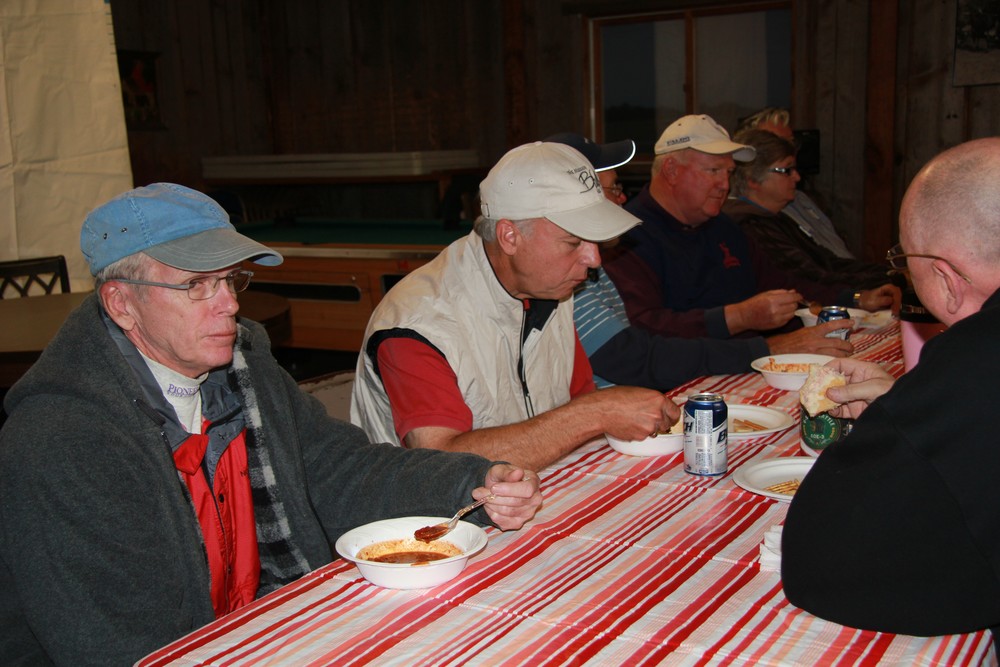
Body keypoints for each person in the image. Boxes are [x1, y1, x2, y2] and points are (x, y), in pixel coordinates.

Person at [0, 183, 542, 666]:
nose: (229, 304)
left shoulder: (245, 371)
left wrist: (472, 481)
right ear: (122, 303)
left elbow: (339, 468)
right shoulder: (61, 439)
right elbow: (119, 646)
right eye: (197, 284)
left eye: (230, 279)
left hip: (258, 628)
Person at [781, 138, 1000, 647]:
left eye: (905, 262)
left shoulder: (979, 355)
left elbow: (827, 562)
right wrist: (909, 402)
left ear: (945, 276)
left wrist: (904, 418)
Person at [351, 142, 678, 472]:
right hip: (429, 505)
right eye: (573, 242)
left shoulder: (553, 289)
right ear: (509, 236)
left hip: (535, 487)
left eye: (594, 241)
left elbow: (578, 398)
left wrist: (600, 410)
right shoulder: (418, 324)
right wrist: (597, 412)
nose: (594, 260)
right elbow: (442, 464)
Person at [603, 114, 891, 348]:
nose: (724, 185)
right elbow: (644, 328)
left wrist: (856, 299)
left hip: (749, 363)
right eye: (713, 171)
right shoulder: (626, 237)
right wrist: (737, 317)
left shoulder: (723, 227)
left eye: (728, 173)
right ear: (671, 171)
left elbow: (783, 285)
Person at [547, 132, 771, 390]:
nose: (623, 199)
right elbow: (632, 358)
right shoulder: (566, 268)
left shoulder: (723, 226)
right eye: (614, 189)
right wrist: (760, 350)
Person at [724, 128, 902, 297]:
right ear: (753, 179)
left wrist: (893, 273)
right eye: (787, 170)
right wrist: (891, 280)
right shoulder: (751, 226)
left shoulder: (776, 218)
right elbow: (811, 279)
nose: (797, 177)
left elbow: (830, 262)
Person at [734, 106, 855, 259]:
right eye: (774, 142)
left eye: (790, 142)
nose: (787, 149)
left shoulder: (801, 199)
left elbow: (836, 254)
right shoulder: (752, 220)